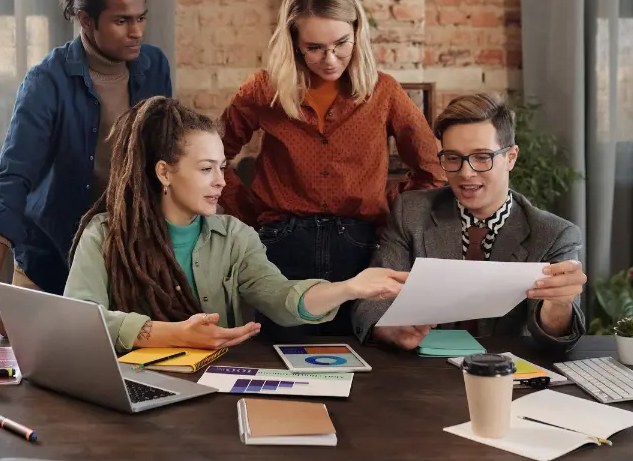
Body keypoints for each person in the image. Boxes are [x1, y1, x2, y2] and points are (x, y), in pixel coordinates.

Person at [0, 0, 171, 340]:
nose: (137, 32)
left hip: (127, 265)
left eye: (141, 18)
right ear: (85, 20)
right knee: (36, 386)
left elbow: (164, 162)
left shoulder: (155, 66)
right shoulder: (46, 81)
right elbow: (13, 179)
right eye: (122, 21)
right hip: (50, 262)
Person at [64, 97, 408, 351]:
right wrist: (171, 334)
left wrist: (350, 287)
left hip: (217, 394)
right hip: (131, 390)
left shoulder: (235, 237)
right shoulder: (104, 235)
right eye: (205, 169)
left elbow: (281, 297)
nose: (221, 181)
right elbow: (78, 321)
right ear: (164, 172)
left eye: (222, 167)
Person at [218, 0, 444, 340]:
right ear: (293, 42)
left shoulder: (384, 92)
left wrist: (387, 203)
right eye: (315, 47)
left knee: (362, 359)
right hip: (280, 247)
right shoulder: (263, 91)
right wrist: (250, 212)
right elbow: (213, 158)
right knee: (280, 357)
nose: (330, 58)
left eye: (341, 44)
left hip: (358, 246)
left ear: (358, 31)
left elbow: (432, 169)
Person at [351, 93, 588, 353]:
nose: (466, 173)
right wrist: (389, 328)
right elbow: (369, 300)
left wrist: (559, 305)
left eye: (482, 157)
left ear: (510, 157)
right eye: (452, 158)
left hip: (506, 376)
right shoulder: (412, 212)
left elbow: (554, 340)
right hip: (422, 374)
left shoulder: (554, 234)